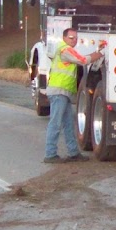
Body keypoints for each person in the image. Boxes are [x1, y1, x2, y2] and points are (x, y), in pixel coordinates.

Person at [44, 28, 105, 163]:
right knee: (55, 123)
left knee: (68, 123)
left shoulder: (65, 49)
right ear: (64, 38)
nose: (74, 40)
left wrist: (96, 53)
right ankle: (50, 154)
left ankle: (73, 152)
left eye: (76, 38)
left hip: (63, 92)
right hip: (59, 91)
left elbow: (81, 59)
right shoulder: (65, 49)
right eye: (71, 37)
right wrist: (99, 54)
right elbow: (83, 60)